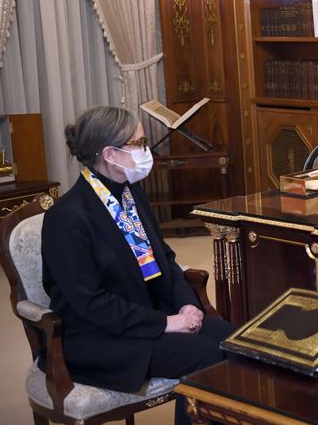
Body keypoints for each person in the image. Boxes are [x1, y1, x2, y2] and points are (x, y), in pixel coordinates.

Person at [41, 106, 235, 425]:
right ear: (109, 154)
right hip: (98, 335)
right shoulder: (66, 218)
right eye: (139, 143)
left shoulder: (131, 195)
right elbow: (91, 303)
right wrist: (165, 323)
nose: (146, 151)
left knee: (236, 342)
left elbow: (164, 259)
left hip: (145, 314)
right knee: (206, 355)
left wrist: (187, 305)